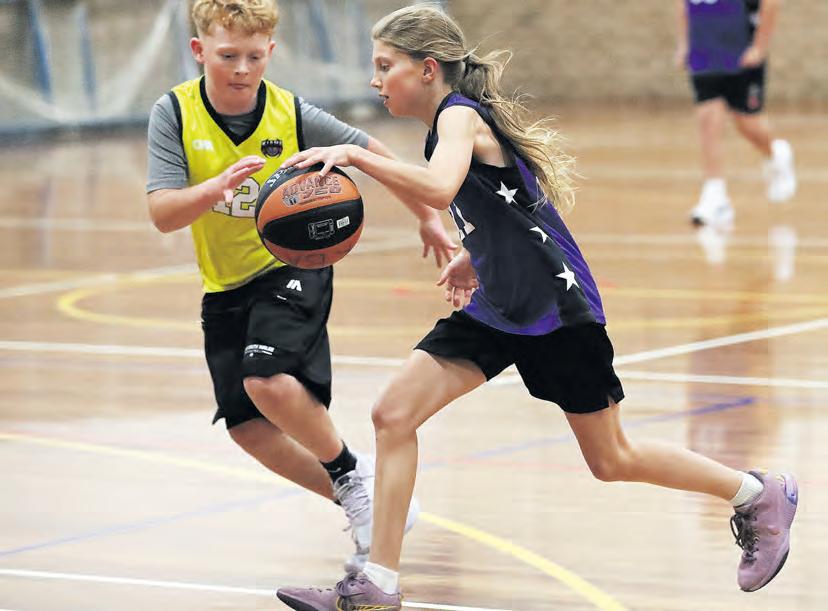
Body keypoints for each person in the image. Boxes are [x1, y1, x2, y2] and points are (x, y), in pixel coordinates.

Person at [274, 5, 799, 609]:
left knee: (612, 458)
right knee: (393, 415)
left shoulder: (459, 117)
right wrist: (475, 253)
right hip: (498, 308)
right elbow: (513, 200)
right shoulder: (448, 127)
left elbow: (440, 189)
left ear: (427, 68)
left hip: (555, 311)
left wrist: (357, 156)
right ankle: (377, 585)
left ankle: (755, 493)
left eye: (384, 66)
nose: (375, 80)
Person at [145, 0, 455, 572]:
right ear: (198, 51)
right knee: (248, 430)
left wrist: (427, 216)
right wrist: (213, 189)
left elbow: (373, 154)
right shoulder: (174, 113)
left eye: (254, 56)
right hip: (224, 284)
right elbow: (164, 214)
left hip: (293, 265)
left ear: (271, 51)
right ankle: (365, 493)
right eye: (227, 56)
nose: (242, 69)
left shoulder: (289, 112)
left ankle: (348, 475)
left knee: (267, 380)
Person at [675, 0, 796, 226]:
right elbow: (683, 5)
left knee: (747, 124)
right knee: (708, 120)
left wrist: (759, 46)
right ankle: (715, 196)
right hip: (704, 55)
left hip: (741, 54)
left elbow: (771, 4)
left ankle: (777, 153)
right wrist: (684, 44)